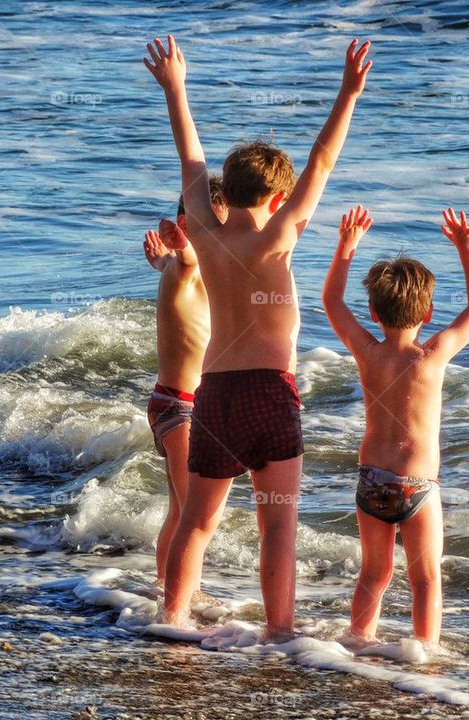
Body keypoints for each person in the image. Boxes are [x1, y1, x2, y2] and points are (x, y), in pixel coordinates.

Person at [143, 34, 373, 640]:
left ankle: (172, 621)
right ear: (276, 198)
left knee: (197, 521)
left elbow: (190, 161)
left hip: (213, 396)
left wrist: (176, 87)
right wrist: (348, 92)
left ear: (232, 188)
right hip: (272, 395)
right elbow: (322, 161)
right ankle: (279, 633)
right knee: (278, 528)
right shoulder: (277, 240)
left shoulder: (206, 237)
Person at [321, 205, 469, 645]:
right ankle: (425, 655)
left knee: (374, 574)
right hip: (418, 484)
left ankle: (356, 642)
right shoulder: (432, 355)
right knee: (426, 579)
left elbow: (332, 302)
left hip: (371, 480)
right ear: (429, 312)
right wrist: (466, 248)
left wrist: (346, 246)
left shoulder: (366, 351)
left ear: (374, 314)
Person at [143, 176, 227, 586]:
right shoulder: (189, 262)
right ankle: (180, 599)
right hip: (180, 408)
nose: (223, 239)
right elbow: (190, 256)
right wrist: (179, 243)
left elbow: (179, 263)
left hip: (171, 403)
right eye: (215, 228)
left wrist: (163, 258)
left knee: (178, 510)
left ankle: (164, 588)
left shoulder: (176, 268)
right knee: (193, 513)